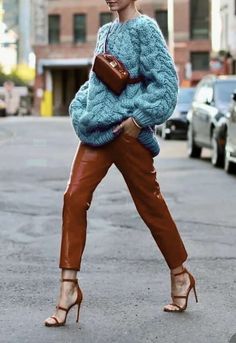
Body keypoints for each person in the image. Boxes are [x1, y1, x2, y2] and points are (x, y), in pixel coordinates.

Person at [44, 0, 198, 327]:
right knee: (73, 198)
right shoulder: (104, 31)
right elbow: (99, 81)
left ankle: (180, 274)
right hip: (97, 131)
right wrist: (80, 105)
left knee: (150, 205)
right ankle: (68, 288)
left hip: (128, 134)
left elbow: (166, 85)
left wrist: (137, 120)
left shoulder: (145, 29)